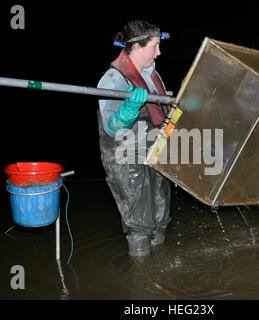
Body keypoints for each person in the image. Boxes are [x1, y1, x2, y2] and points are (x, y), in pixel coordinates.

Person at [97, 20, 171, 257]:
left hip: (152, 150)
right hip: (125, 155)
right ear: (137, 46)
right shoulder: (113, 79)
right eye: (154, 46)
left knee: (160, 213)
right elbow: (112, 127)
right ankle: (142, 280)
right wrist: (129, 108)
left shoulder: (151, 74)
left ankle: (162, 269)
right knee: (139, 221)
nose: (159, 52)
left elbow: (158, 115)